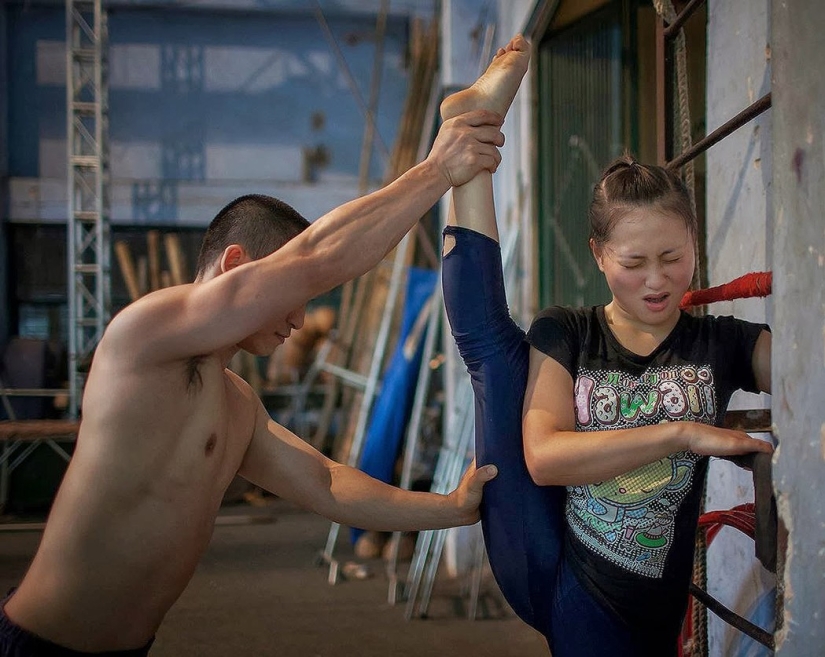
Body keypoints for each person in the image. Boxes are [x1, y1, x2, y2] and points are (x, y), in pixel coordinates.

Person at [0, 109, 506, 656]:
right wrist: (437, 170)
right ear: (236, 266)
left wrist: (450, 508)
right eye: (292, 296)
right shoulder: (144, 336)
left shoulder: (237, 404)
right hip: (38, 645)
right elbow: (315, 259)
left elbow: (327, 484)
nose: (298, 320)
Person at [439, 35, 773, 656]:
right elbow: (544, 457)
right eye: (634, 261)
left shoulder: (719, 342)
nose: (656, 280)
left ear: (695, 244)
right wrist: (681, 433)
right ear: (597, 255)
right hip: (558, 570)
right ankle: (472, 145)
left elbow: (806, 367)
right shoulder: (569, 330)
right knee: (491, 351)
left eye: (674, 258)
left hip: (657, 601)